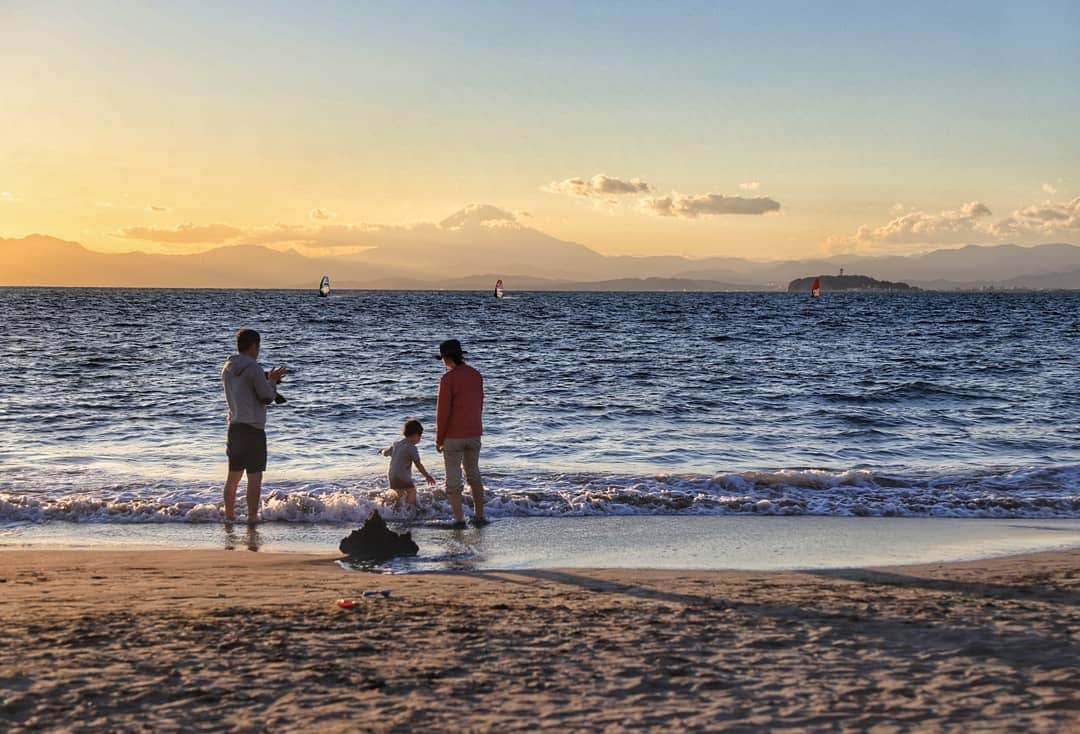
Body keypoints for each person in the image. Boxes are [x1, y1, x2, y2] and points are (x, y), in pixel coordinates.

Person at [220, 328, 286, 525]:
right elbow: (266, 397)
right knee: (254, 478)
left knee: (233, 477)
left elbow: (245, 387)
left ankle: (229, 517)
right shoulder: (253, 367)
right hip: (254, 429)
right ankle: (251, 517)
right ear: (253, 346)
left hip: (235, 427)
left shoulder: (227, 367)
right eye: (258, 346)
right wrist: (272, 382)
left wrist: (266, 378)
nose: (259, 350)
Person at [434, 339, 487, 527]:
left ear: (447, 358)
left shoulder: (447, 379)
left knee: (454, 481)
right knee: (474, 475)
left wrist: (439, 439)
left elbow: (443, 413)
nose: (443, 362)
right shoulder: (476, 375)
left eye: (443, 358)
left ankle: (459, 519)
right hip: (474, 433)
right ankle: (480, 516)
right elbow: (480, 404)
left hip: (453, 437)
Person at [379, 418, 436, 512]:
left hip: (392, 475)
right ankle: (410, 511)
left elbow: (386, 453)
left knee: (400, 495)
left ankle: (394, 510)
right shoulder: (412, 448)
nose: (419, 439)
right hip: (402, 476)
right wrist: (427, 476)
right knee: (412, 491)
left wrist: (381, 451)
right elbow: (418, 464)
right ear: (415, 435)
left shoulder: (397, 444)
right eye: (419, 436)